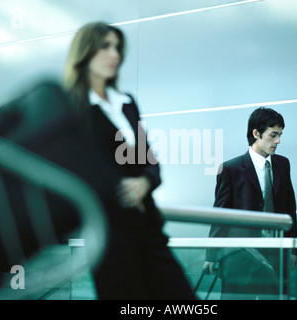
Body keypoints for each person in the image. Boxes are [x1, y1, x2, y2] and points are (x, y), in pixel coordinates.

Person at [62, 22, 196, 299]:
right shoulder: (73, 109)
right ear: (84, 52)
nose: (115, 55)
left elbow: (150, 160)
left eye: (117, 48)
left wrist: (145, 183)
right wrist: (119, 188)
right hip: (110, 233)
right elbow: (78, 171)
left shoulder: (126, 102)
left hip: (148, 227)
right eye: (105, 47)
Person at [203, 107, 297, 299]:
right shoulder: (231, 169)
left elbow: (289, 208)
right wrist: (212, 255)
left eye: (280, 135)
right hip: (240, 258)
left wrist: (293, 249)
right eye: (273, 135)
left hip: (275, 257)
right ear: (256, 133)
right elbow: (220, 215)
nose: (278, 141)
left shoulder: (282, 165)